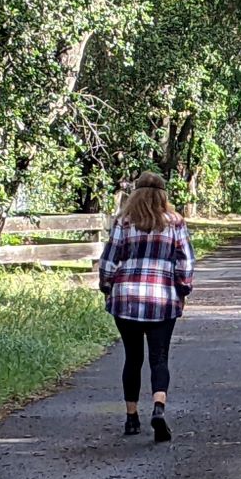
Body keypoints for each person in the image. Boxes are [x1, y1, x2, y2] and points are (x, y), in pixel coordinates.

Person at [98, 172, 195, 443]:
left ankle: (131, 418)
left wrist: (107, 287)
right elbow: (185, 262)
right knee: (159, 357)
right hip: (162, 298)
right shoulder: (175, 222)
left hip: (126, 297)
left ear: (135, 194)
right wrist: (183, 289)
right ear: (163, 195)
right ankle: (159, 408)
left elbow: (109, 260)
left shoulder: (123, 222)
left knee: (132, 357)